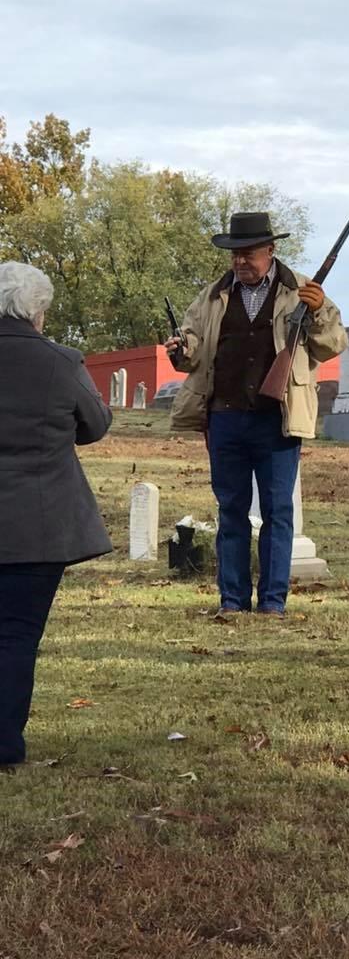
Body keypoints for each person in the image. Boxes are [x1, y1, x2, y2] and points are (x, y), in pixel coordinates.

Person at [166, 212, 347, 618]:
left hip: (276, 418)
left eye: (248, 253)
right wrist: (180, 349)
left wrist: (316, 313)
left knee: (277, 513)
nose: (240, 261)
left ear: (270, 250)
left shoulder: (302, 290)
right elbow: (191, 351)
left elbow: (334, 343)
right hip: (225, 417)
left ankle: (272, 602)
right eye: (234, 254)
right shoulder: (212, 295)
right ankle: (231, 601)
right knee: (230, 511)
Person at [0, 261, 112, 766]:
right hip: (37, 526)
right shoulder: (61, 362)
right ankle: (4, 746)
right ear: (37, 310)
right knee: (17, 635)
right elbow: (94, 423)